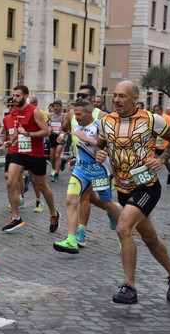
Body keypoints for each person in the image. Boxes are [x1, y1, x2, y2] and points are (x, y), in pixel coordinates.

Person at [96, 80, 170, 304]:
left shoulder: (151, 119)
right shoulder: (106, 121)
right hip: (123, 188)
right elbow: (101, 145)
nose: (116, 100)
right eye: (114, 95)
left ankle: (130, 287)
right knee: (149, 238)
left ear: (135, 98)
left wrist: (161, 158)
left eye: (122, 96)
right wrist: (100, 154)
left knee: (123, 228)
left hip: (146, 186)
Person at [53, 99, 121, 254]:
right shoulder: (76, 125)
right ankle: (71, 240)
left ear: (90, 112)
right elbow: (68, 136)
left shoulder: (99, 125)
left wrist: (86, 139)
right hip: (81, 170)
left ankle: (123, 233)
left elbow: (111, 146)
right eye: (74, 114)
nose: (76, 117)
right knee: (70, 200)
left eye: (79, 114)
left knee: (107, 202)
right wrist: (61, 138)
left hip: (99, 171)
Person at [3, 85, 59, 233]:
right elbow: (17, 129)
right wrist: (12, 141)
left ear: (26, 96)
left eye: (18, 96)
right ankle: (16, 217)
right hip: (20, 153)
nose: (14, 98)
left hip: (36, 154)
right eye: (13, 95)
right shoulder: (15, 111)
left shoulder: (35, 112)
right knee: (10, 181)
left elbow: (46, 132)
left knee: (42, 186)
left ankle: (54, 214)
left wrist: (28, 134)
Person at [61, 85, 108, 244]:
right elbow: (66, 130)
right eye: (78, 94)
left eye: (84, 95)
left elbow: (107, 143)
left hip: (98, 166)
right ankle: (76, 235)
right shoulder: (72, 114)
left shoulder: (101, 116)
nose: (80, 97)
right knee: (88, 198)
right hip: (80, 163)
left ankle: (82, 231)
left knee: (87, 197)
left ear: (92, 98)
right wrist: (62, 136)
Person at [152, 104, 170, 185]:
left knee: (165, 161)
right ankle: (153, 179)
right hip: (156, 144)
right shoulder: (153, 118)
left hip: (165, 144)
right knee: (153, 160)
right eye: (155, 111)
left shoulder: (167, 118)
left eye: (158, 110)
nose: (156, 112)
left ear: (161, 111)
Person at [48, 100, 65, 182]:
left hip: (60, 137)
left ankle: (56, 174)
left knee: (57, 155)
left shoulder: (63, 116)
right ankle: (54, 169)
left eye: (57, 106)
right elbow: (46, 124)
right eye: (54, 106)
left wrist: (63, 133)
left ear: (61, 107)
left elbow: (66, 127)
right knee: (52, 156)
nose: (56, 108)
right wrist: (48, 130)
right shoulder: (50, 115)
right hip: (52, 136)